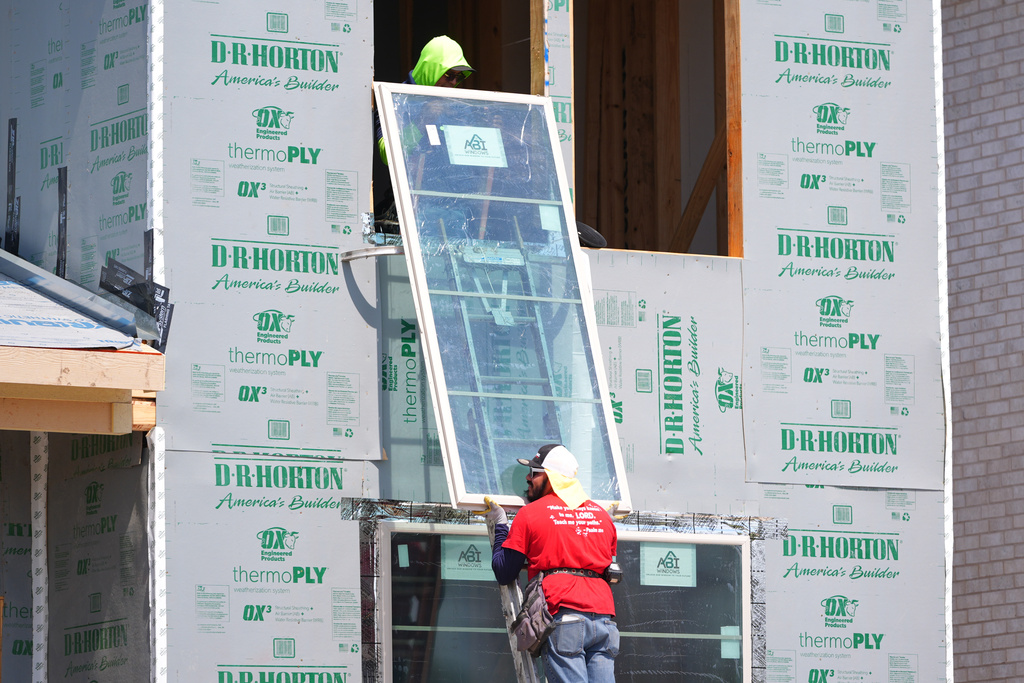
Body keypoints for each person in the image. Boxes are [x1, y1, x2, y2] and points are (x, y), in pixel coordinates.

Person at [484, 444, 620, 682]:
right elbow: (604, 564)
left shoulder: (531, 514)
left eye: (534, 473)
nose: (528, 478)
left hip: (565, 617)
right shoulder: (601, 517)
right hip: (605, 622)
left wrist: (500, 525)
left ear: (551, 477)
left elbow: (504, 571)